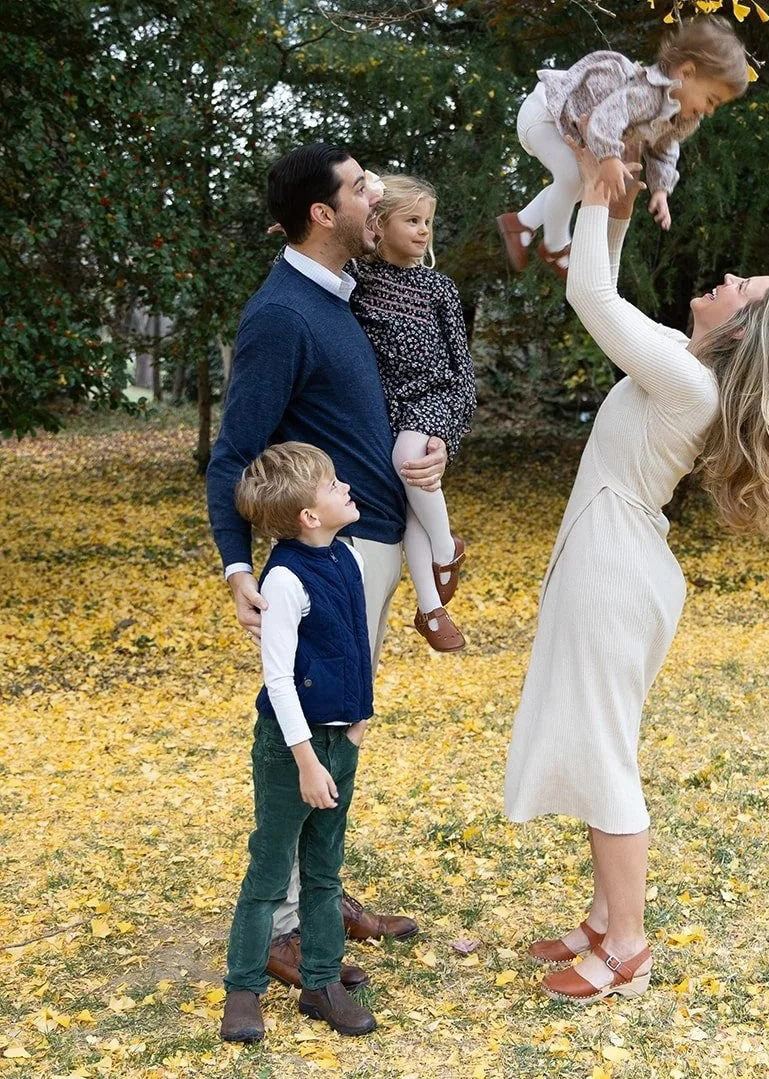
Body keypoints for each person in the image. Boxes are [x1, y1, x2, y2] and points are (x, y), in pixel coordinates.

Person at [503, 142, 769, 1004]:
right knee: (606, 741)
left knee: (606, 755)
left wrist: (604, 198)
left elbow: (589, 293)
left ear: (742, 327)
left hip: (615, 567)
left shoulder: (686, 379)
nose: (721, 280)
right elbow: (606, 291)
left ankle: (628, 949)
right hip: (617, 559)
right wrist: (617, 199)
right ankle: (604, 919)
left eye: (737, 288)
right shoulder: (683, 362)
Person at [206, 144, 448, 989]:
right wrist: (238, 568)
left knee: (343, 727)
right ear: (323, 212)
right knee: (305, 722)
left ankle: (318, 897)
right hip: (329, 556)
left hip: (370, 547)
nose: (373, 195)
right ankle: (279, 924)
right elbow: (233, 454)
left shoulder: (343, 297)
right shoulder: (282, 314)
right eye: (358, 187)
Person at [221, 443, 376, 1044]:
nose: (347, 487)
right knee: (270, 867)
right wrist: (307, 760)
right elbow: (278, 678)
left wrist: (359, 721)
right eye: (335, 483)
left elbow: (357, 645)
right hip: (292, 750)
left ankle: (320, 981)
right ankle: (243, 987)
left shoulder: (349, 558)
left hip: (340, 740)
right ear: (309, 515)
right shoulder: (284, 577)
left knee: (324, 869)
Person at [496, 16, 749, 279]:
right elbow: (606, 117)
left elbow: (665, 150)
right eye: (711, 99)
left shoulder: (680, 118)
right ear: (686, 73)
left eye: (716, 106)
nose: (709, 110)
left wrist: (661, 189)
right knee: (573, 176)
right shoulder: (646, 93)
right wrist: (609, 158)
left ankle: (520, 224)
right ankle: (555, 247)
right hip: (546, 111)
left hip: (561, 127)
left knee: (582, 184)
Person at [348, 174, 477, 652]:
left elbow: (461, 367)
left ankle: (447, 549)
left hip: (437, 396)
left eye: (429, 222)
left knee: (410, 459)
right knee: (410, 501)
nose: (425, 231)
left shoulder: (438, 287)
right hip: (392, 404)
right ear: (378, 224)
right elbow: (310, 259)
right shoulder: (358, 279)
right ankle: (429, 608)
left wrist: (452, 426)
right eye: (413, 220)